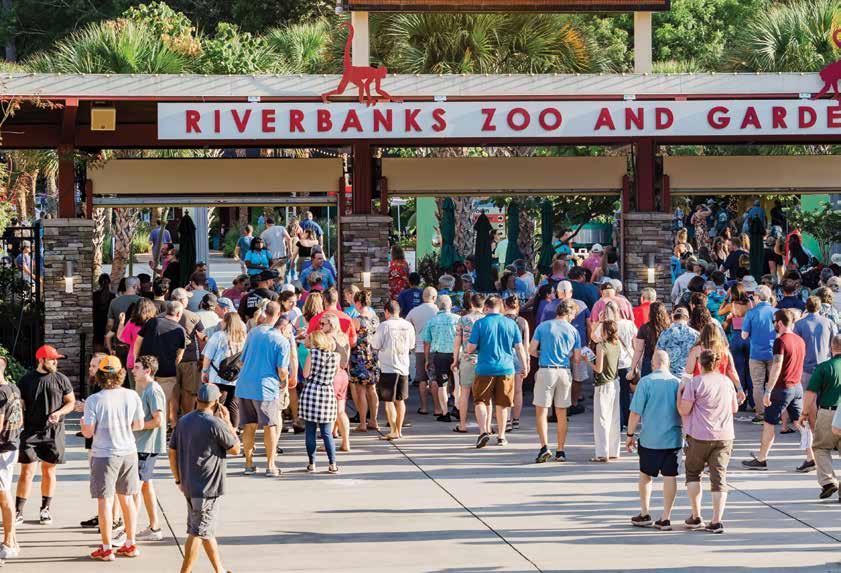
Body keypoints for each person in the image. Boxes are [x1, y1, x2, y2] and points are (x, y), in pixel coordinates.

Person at [168, 383, 240, 573]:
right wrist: (229, 424)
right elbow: (235, 449)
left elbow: (172, 451)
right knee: (198, 532)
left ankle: (219, 570)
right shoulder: (215, 423)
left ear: (197, 400)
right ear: (216, 402)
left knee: (205, 529)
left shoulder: (183, 421)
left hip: (189, 484)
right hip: (208, 487)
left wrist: (178, 479)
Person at [81, 356, 144, 561]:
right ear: (120, 374)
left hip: (104, 453)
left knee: (105, 501)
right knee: (127, 499)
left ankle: (107, 548)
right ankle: (130, 544)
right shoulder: (132, 395)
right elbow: (139, 425)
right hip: (128, 452)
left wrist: (83, 423)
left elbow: (88, 432)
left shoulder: (94, 400)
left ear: (99, 375)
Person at [678, 350, 738, 534]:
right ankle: (716, 520)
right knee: (719, 478)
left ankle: (696, 516)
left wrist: (679, 394)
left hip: (699, 435)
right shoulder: (727, 382)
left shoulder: (695, 383)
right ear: (718, 364)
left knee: (693, 474)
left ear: (699, 364)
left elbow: (684, 410)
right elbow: (734, 408)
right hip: (724, 436)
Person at [15, 345, 75, 526]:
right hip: (31, 432)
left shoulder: (61, 379)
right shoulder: (26, 380)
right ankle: (18, 511)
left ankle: (45, 509)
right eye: (52, 359)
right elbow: (19, 405)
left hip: (53, 432)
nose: (55, 362)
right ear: (41, 360)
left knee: (49, 471)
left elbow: (71, 402)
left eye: (56, 359)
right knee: (27, 472)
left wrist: (59, 413)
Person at [742, 309, 807, 471]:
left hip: (782, 388)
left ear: (779, 323)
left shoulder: (781, 341)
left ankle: (761, 459)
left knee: (769, 423)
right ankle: (811, 458)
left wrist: (768, 390)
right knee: (800, 423)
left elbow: (777, 365)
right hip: (797, 387)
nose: (773, 326)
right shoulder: (799, 340)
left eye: (774, 323)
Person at [626, 350, 682, 530]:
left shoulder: (645, 382)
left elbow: (635, 413)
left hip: (649, 438)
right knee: (670, 476)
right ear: (668, 363)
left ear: (653, 364)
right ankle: (666, 517)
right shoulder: (677, 383)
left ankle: (645, 512)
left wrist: (630, 435)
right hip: (673, 438)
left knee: (645, 474)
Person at [467, 296, 529, 448]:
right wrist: (525, 365)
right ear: (500, 307)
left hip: (484, 368)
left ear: (486, 307)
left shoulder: (480, 323)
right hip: (506, 368)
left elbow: (470, 348)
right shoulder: (511, 323)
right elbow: (519, 347)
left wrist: (475, 348)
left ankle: (483, 431)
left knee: (480, 401)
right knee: (503, 403)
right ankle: (501, 436)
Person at [236, 301, 289, 476]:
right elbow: (282, 370)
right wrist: (284, 380)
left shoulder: (253, 332)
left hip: (245, 384)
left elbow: (242, 360)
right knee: (270, 425)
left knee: (248, 426)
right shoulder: (281, 340)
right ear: (278, 314)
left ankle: (248, 463)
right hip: (265, 387)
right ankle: (270, 465)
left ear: (265, 312)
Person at [530, 299, 581, 463]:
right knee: (562, 413)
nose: (574, 317)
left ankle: (544, 447)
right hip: (564, 371)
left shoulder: (543, 326)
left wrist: (542, 354)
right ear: (569, 313)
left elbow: (531, 349)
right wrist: (568, 356)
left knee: (542, 411)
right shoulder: (573, 331)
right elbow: (577, 358)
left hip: (546, 369)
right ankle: (560, 450)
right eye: (574, 314)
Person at [131, 355, 167, 542]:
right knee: (145, 485)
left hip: (147, 446)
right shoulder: (146, 389)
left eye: (137, 367)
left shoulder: (153, 390)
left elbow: (158, 420)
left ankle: (129, 530)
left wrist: (134, 426)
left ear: (147, 370)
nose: (133, 370)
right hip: (143, 444)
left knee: (135, 488)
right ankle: (155, 527)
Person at [135, 301, 187, 429]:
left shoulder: (152, 322)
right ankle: (160, 433)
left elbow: (138, 341)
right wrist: (171, 363)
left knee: (141, 402)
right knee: (162, 404)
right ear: (178, 314)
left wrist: (137, 359)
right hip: (167, 372)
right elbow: (179, 355)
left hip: (145, 369)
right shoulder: (180, 330)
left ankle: (139, 429)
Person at [801, 335, 841, 500]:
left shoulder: (824, 367)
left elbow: (810, 393)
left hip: (828, 412)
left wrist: (804, 413)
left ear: (832, 348)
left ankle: (828, 481)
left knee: (821, 448)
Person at [371, 300, 415, 441]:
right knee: (400, 400)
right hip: (403, 366)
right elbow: (411, 345)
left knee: (389, 401)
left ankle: (393, 430)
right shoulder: (408, 325)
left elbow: (375, 344)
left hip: (388, 367)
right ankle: (399, 430)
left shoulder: (384, 325)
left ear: (387, 312)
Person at [299, 330, 341, 473]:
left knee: (310, 431)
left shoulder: (312, 354)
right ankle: (332, 464)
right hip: (327, 393)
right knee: (327, 433)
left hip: (311, 392)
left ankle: (312, 463)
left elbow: (306, 374)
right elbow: (335, 374)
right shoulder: (335, 356)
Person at [202, 313, 247, 430]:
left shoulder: (218, 336)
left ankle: (218, 429)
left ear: (226, 322)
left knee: (217, 404)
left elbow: (208, 357)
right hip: (237, 377)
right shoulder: (244, 338)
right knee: (234, 405)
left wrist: (204, 371)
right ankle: (233, 430)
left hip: (218, 376)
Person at [420, 295, 460, 422]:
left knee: (442, 385)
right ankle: (458, 408)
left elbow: (426, 342)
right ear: (450, 305)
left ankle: (445, 412)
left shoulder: (432, 321)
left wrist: (427, 359)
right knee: (458, 383)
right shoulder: (458, 319)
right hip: (456, 355)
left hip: (440, 355)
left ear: (437, 306)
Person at [742, 285, 777, 420]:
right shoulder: (776, 312)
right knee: (774, 383)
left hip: (756, 353)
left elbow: (744, 335)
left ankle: (760, 414)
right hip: (774, 353)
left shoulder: (751, 313)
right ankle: (775, 413)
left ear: (757, 297)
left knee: (757, 385)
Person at [171, 288, 207, 422]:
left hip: (170, 359)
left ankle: (173, 422)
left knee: (173, 392)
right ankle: (188, 421)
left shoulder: (162, 316)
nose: (188, 300)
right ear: (181, 300)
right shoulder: (193, 317)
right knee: (190, 392)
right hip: (190, 359)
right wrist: (203, 358)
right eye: (187, 298)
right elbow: (202, 337)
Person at [451, 293, 484, 434]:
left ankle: (463, 424)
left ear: (471, 304)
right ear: (483, 304)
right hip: (483, 360)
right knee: (485, 396)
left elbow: (457, 342)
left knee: (464, 393)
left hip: (467, 358)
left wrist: (455, 360)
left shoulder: (463, 320)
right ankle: (485, 427)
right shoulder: (486, 319)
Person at [349, 290, 381, 431]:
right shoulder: (375, 319)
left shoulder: (356, 320)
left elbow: (352, 341)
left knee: (360, 390)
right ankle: (374, 420)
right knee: (372, 389)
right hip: (373, 356)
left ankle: (362, 423)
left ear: (358, 303)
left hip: (359, 357)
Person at [590, 319, 621, 463]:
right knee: (614, 418)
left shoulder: (601, 346)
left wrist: (587, 360)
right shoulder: (617, 344)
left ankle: (602, 453)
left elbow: (598, 369)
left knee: (602, 418)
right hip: (614, 382)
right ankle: (614, 450)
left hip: (603, 384)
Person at [0, 356, 21, 561]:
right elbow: (19, 418)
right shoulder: (13, 388)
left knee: (3, 495)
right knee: (5, 493)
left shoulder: (0, 393)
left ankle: (9, 542)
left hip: (2, 449)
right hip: (12, 444)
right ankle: (12, 539)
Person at [406, 287, 439, 415]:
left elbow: (407, 326)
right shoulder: (438, 311)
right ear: (434, 297)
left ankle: (424, 407)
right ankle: (437, 408)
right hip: (436, 348)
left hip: (419, 348)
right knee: (435, 379)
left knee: (422, 379)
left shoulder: (414, 311)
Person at [504, 296, 530, 430]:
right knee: (518, 391)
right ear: (518, 307)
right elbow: (526, 344)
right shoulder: (522, 321)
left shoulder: (501, 320)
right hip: (520, 355)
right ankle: (516, 419)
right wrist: (527, 361)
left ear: (505, 306)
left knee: (506, 389)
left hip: (506, 355)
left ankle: (507, 419)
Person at [106, 276, 142, 366]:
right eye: (139, 285)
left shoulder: (114, 301)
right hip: (136, 343)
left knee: (119, 369)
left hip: (119, 343)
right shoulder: (142, 301)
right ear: (135, 286)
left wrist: (109, 344)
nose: (140, 287)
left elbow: (110, 324)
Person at [655, 307, 699, 379]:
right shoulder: (696, 335)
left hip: (668, 376)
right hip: (688, 377)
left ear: (673, 318)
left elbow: (657, 354)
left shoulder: (665, 333)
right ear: (688, 319)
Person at [630, 301, 670, 379]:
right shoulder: (669, 328)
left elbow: (639, 350)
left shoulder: (644, 328)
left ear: (650, 313)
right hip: (666, 361)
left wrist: (633, 367)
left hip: (649, 362)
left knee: (647, 384)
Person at [116, 298, 157, 372]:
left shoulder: (132, 322)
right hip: (150, 362)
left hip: (133, 361)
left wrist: (122, 321)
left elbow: (120, 336)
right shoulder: (155, 323)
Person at [93, 274, 115, 352]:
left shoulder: (94, 295)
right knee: (108, 344)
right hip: (109, 322)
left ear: (99, 282)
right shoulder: (113, 296)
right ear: (109, 282)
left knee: (98, 344)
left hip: (97, 322)